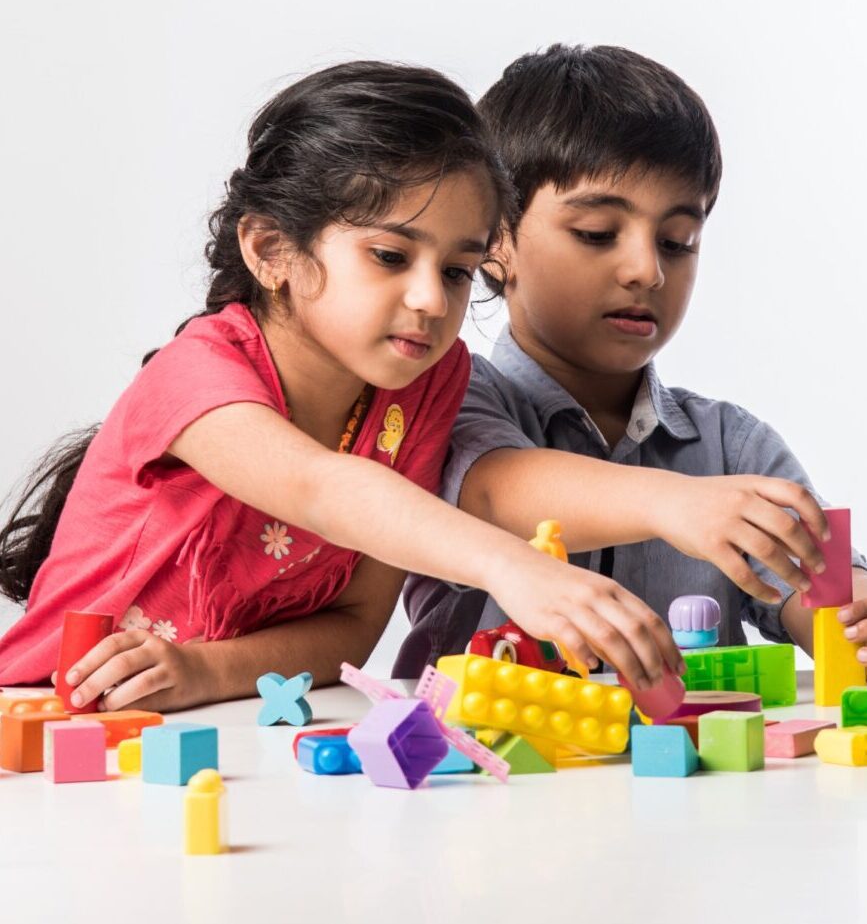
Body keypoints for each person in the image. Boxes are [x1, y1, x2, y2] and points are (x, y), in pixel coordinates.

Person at [0, 59, 702, 713]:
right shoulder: (196, 373)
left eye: (457, 270)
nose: (430, 299)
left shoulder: (429, 382)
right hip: (47, 722)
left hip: (219, 731)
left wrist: (201, 671)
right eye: (390, 256)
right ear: (272, 250)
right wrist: (512, 565)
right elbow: (322, 488)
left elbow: (352, 630)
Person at [396, 44, 867, 675]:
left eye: (678, 242)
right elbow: (493, 490)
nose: (647, 270)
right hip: (489, 770)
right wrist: (675, 504)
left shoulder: (732, 448)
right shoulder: (441, 396)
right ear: (495, 243)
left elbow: (828, 599)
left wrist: (851, 615)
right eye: (596, 233)